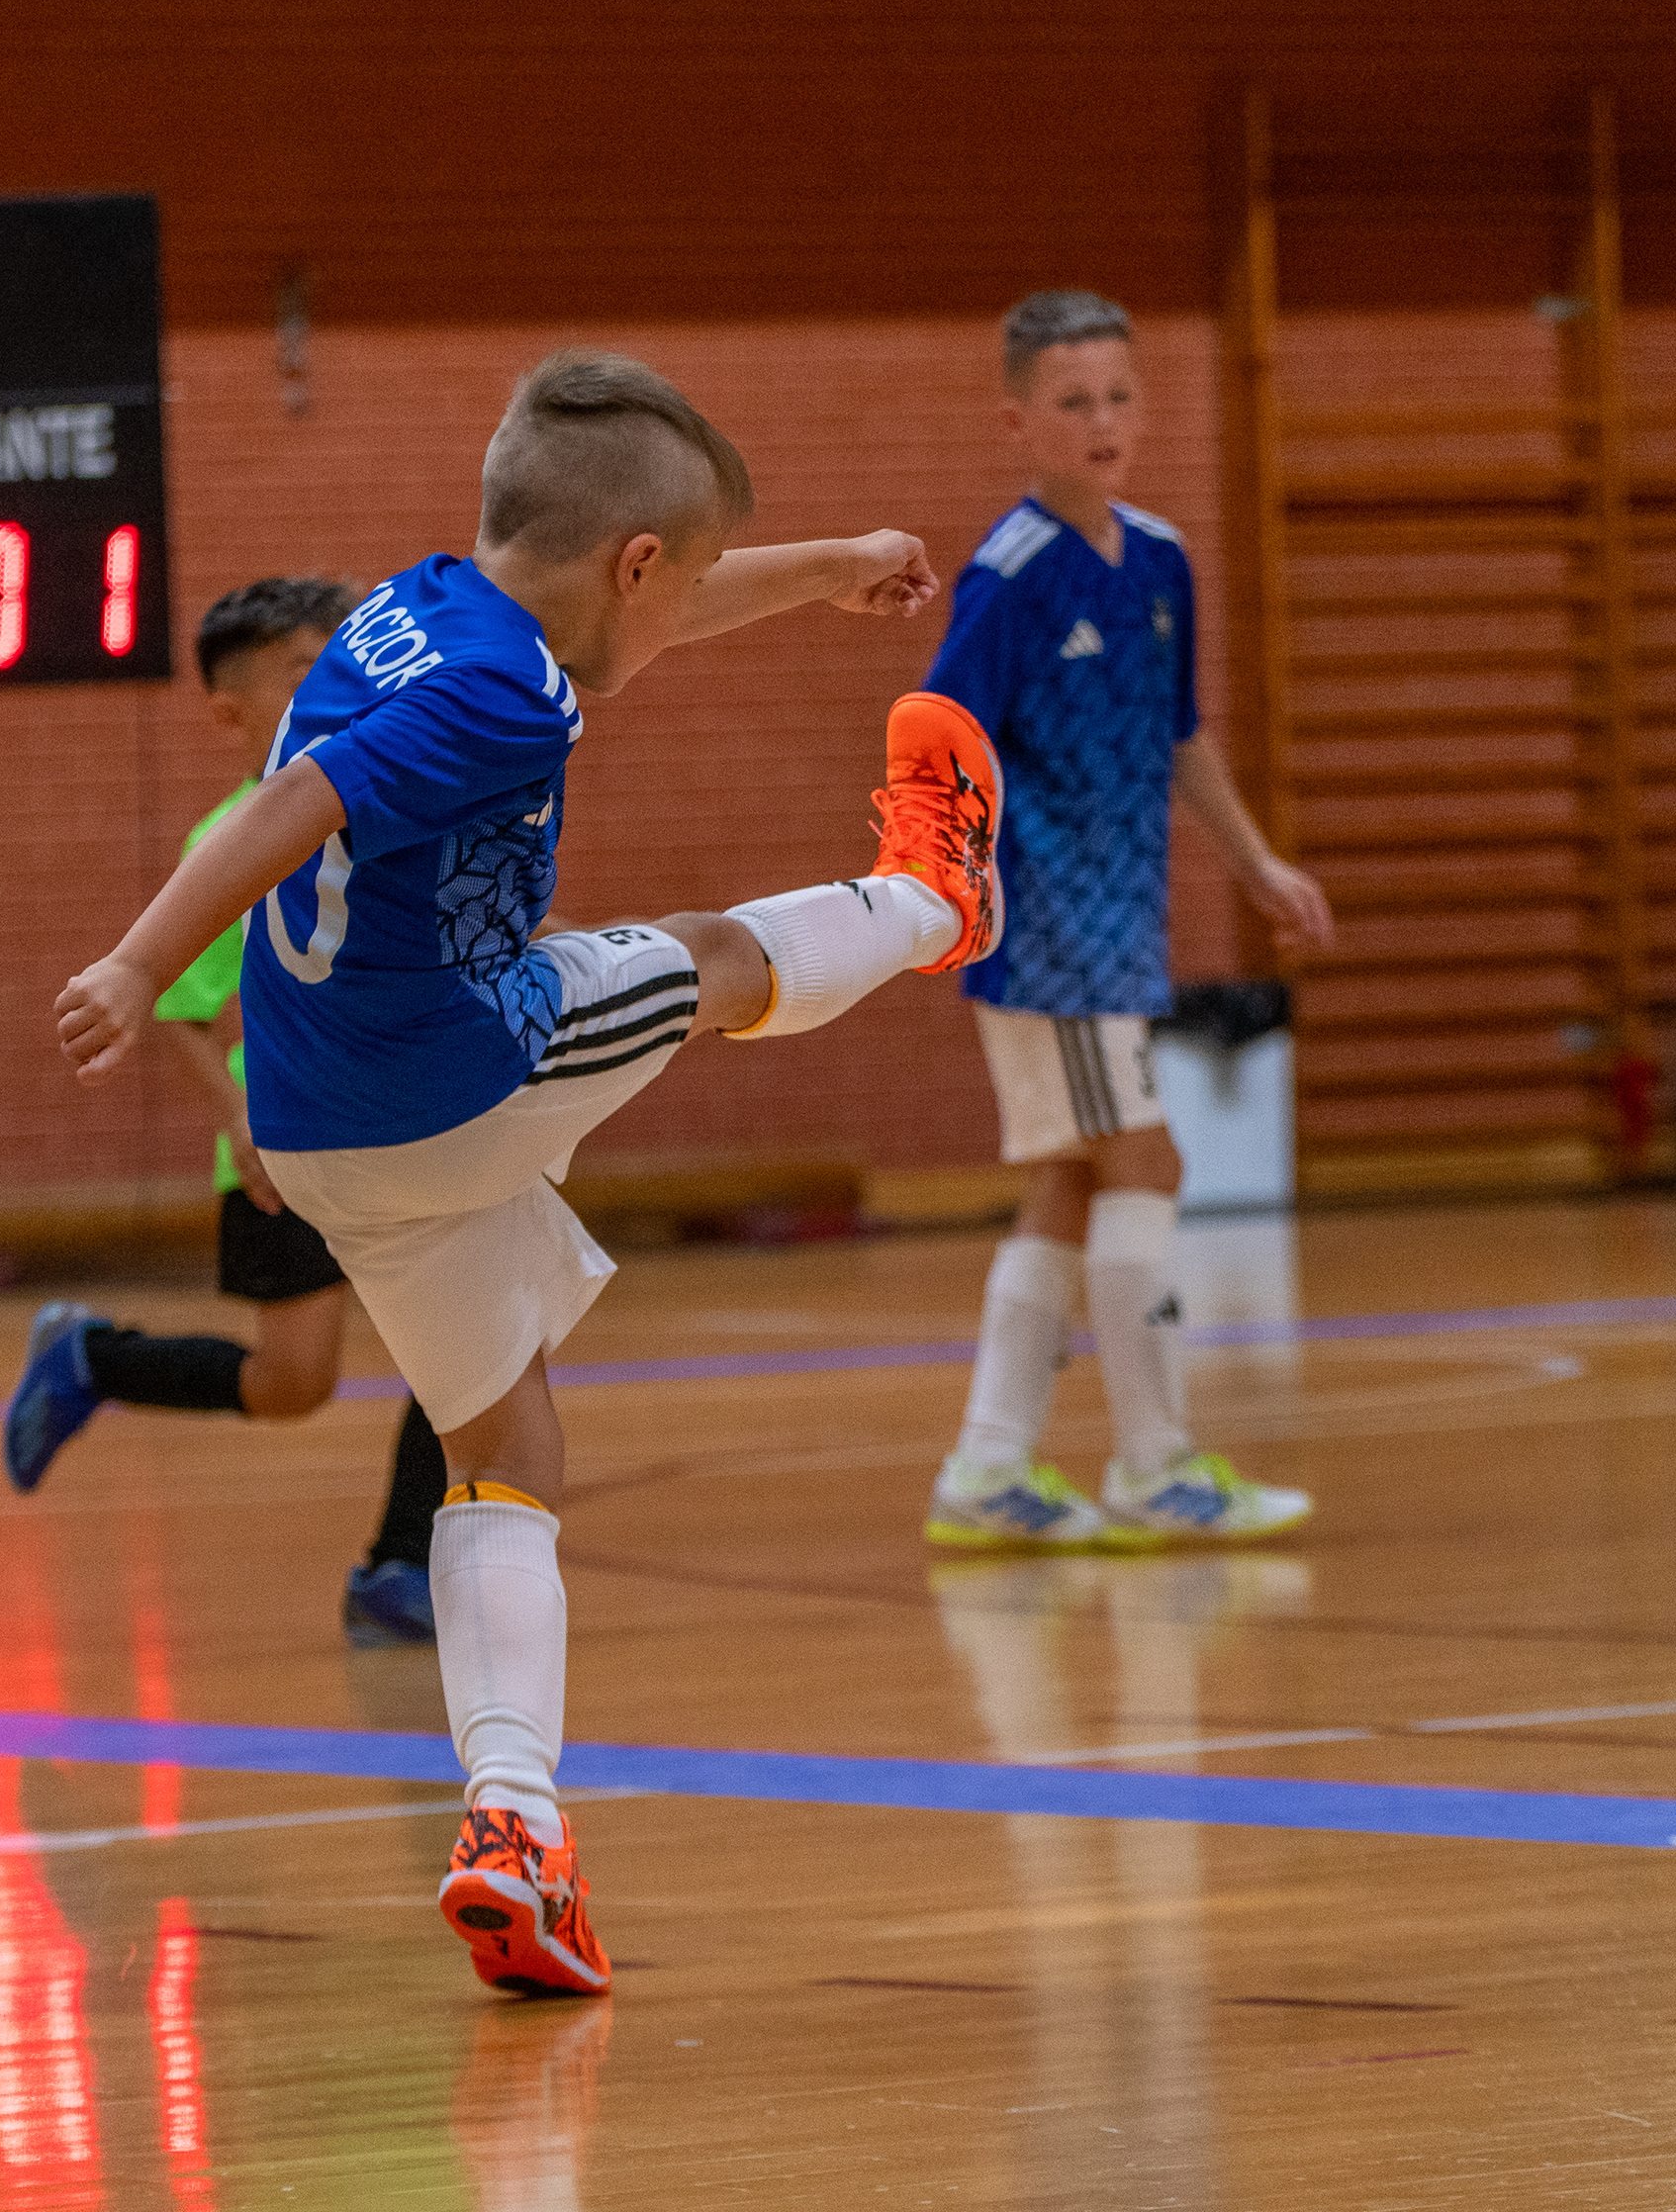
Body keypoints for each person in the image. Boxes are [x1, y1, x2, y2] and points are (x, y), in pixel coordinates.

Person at [53, 349, 1002, 1999]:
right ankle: (940, 895)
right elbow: (293, 803)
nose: (686, 603)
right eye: (686, 576)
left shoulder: (417, 608)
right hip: (453, 1074)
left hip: (320, 1132)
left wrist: (833, 565)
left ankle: (518, 1832)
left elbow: (643, 614)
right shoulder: (501, 695)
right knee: (707, 957)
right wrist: (140, 963)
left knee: (503, 1448)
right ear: (632, 563)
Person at [917, 290, 1335, 1552]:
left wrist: (1255, 862)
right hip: (1054, 942)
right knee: (1148, 1167)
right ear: (1017, 421)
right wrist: (951, 888)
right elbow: (942, 737)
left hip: (1123, 931)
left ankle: (990, 1467)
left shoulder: (1158, 559)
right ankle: (1153, 1467)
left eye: (1119, 396)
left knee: (1066, 1182)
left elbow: (1179, 733)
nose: (1102, 420)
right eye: (1072, 400)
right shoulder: (1009, 577)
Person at [0, 576, 452, 1646]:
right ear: (232, 710)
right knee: (293, 1383)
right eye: (303, 667)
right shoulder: (234, 837)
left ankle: (400, 1566)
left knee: (470, 1340)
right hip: (286, 1136)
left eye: (343, 657)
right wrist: (242, 1118)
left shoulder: (394, 796)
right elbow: (181, 1010)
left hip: (407, 1122)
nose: (337, 679)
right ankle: (94, 1358)